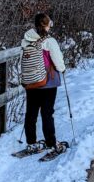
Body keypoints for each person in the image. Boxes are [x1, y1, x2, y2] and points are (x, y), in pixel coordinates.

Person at [21, 13, 67, 154]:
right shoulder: (49, 41)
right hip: (47, 81)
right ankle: (51, 143)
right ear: (47, 25)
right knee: (47, 113)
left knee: (31, 113)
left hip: (31, 81)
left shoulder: (26, 40)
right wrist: (62, 69)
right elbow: (58, 61)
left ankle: (32, 143)